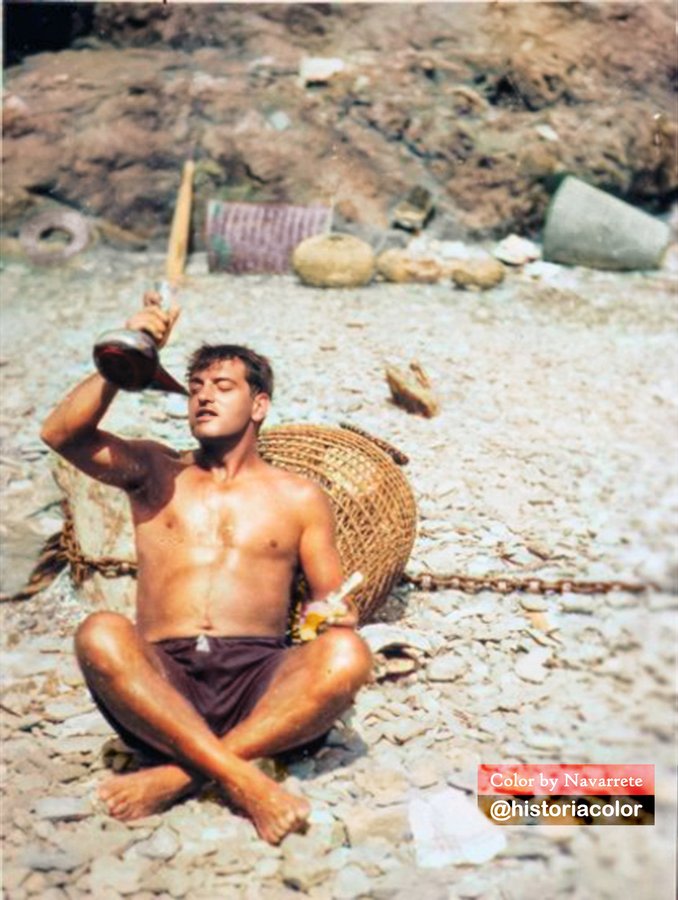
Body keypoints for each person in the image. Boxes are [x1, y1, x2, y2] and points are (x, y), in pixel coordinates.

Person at [40, 292, 373, 845]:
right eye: (194, 389)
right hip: (164, 681)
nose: (202, 398)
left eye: (222, 387)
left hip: (261, 679)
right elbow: (61, 436)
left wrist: (333, 613)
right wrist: (129, 353)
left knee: (348, 654)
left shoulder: (299, 497)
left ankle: (178, 775)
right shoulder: (155, 470)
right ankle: (243, 777)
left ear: (259, 405)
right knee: (100, 631)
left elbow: (332, 603)